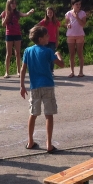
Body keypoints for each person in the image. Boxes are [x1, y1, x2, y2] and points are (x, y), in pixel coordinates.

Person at [20, 25, 65, 153]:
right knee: (49, 114)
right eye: (46, 36)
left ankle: (30, 141)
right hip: (47, 85)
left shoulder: (28, 51)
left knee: (33, 114)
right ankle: (49, 144)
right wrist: (58, 55)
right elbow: (61, 64)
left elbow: (23, 69)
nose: (49, 37)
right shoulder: (48, 51)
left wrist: (22, 85)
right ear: (40, 39)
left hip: (34, 86)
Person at [1, 0, 34, 78]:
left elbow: (25, 14)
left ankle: (18, 71)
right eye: (12, 3)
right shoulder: (4, 13)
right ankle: (7, 72)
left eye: (15, 3)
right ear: (9, 4)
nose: (14, 5)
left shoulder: (17, 13)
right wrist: (6, 17)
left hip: (17, 34)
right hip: (9, 34)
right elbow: (3, 24)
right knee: (8, 53)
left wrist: (29, 12)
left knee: (18, 53)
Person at [65, 0, 88, 78]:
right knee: (72, 54)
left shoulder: (82, 13)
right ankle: (72, 71)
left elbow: (83, 24)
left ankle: (81, 71)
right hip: (70, 36)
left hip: (79, 35)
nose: (78, 6)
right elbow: (66, 23)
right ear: (72, 5)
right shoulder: (68, 13)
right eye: (76, 4)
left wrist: (77, 17)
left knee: (80, 53)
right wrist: (67, 25)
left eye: (79, 4)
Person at [38, 7, 61, 73]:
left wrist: (57, 41)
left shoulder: (56, 22)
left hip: (53, 41)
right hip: (44, 41)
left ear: (53, 13)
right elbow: (37, 26)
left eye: (51, 12)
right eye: (48, 13)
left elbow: (57, 32)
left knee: (51, 55)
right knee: (44, 55)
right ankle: (45, 69)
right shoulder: (44, 21)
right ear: (46, 13)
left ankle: (51, 70)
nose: (50, 14)